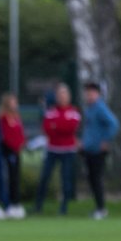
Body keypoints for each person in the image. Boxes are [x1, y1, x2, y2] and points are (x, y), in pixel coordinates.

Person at [36, 82, 82, 214]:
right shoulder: (51, 112)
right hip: (52, 149)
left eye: (64, 94)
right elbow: (47, 128)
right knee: (44, 177)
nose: (62, 97)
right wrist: (58, 127)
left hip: (68, 150)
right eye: (60, 94)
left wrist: (57, 127)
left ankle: (64, 207)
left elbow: (70, 128)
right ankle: (38, 205)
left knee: (66, 179)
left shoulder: (74, 112)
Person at [80, 81, 120, 219]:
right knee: (92, 179)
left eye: (91, 93)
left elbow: (113, 124)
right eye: (87, 93)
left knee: (96, 179)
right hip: (89, 149)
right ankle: (98, 207)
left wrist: (105, 140)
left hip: (98, 150)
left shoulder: (99, 108)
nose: (88, 96)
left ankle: (101, 209)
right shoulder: (89, 108)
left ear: (97, 94)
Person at [0, 92, 26, 218]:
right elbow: (5, 136)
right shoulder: (3, 118)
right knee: (9, 178)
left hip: (17, 151)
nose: (15, 104)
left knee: (16, 178)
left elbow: (20, 133)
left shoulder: (16, 117)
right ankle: (9, 205)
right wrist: (14, 147)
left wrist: (21, 144)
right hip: (8, 151)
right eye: (13, 101)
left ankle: (17, 204)